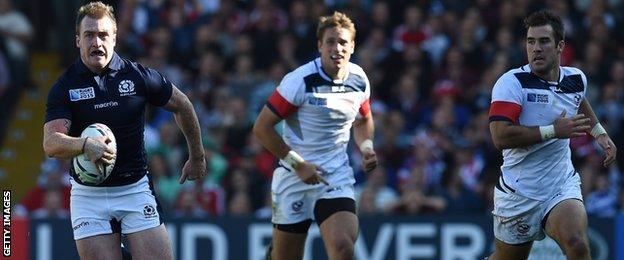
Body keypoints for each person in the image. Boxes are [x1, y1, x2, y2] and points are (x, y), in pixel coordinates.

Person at [42, 2, 206, 259]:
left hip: (134, 189)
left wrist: (197, 155)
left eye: (103, 35)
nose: (96, 42)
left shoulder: (138, 76)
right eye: (89, 35)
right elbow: (51, 143)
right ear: (77, 40)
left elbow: (182, 105)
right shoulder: (64, 88)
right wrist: (85, 145)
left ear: (115, 38)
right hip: (88, 197)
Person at [487, 10, 616, 259]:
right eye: (530, 41)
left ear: (559, 46)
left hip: (560, 185)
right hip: (519, 193)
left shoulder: (576, 79)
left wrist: (599, 132)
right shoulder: (512, 83)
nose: (536, 48)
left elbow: (579, 101)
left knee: (577, 244)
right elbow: (500, 137)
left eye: (544, 41)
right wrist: (554, 131)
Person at [253, 11, 377, 260]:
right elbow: (261, 128)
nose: (337, 48)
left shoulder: (359, 80)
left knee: (343, 246)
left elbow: (363, 120)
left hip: (335, 176)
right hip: (294, 177)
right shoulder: (299, 81)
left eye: (343, 42)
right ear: (320, 46)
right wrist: (298, 164)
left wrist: (366, 146)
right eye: (330, 41)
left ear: (352, 46)